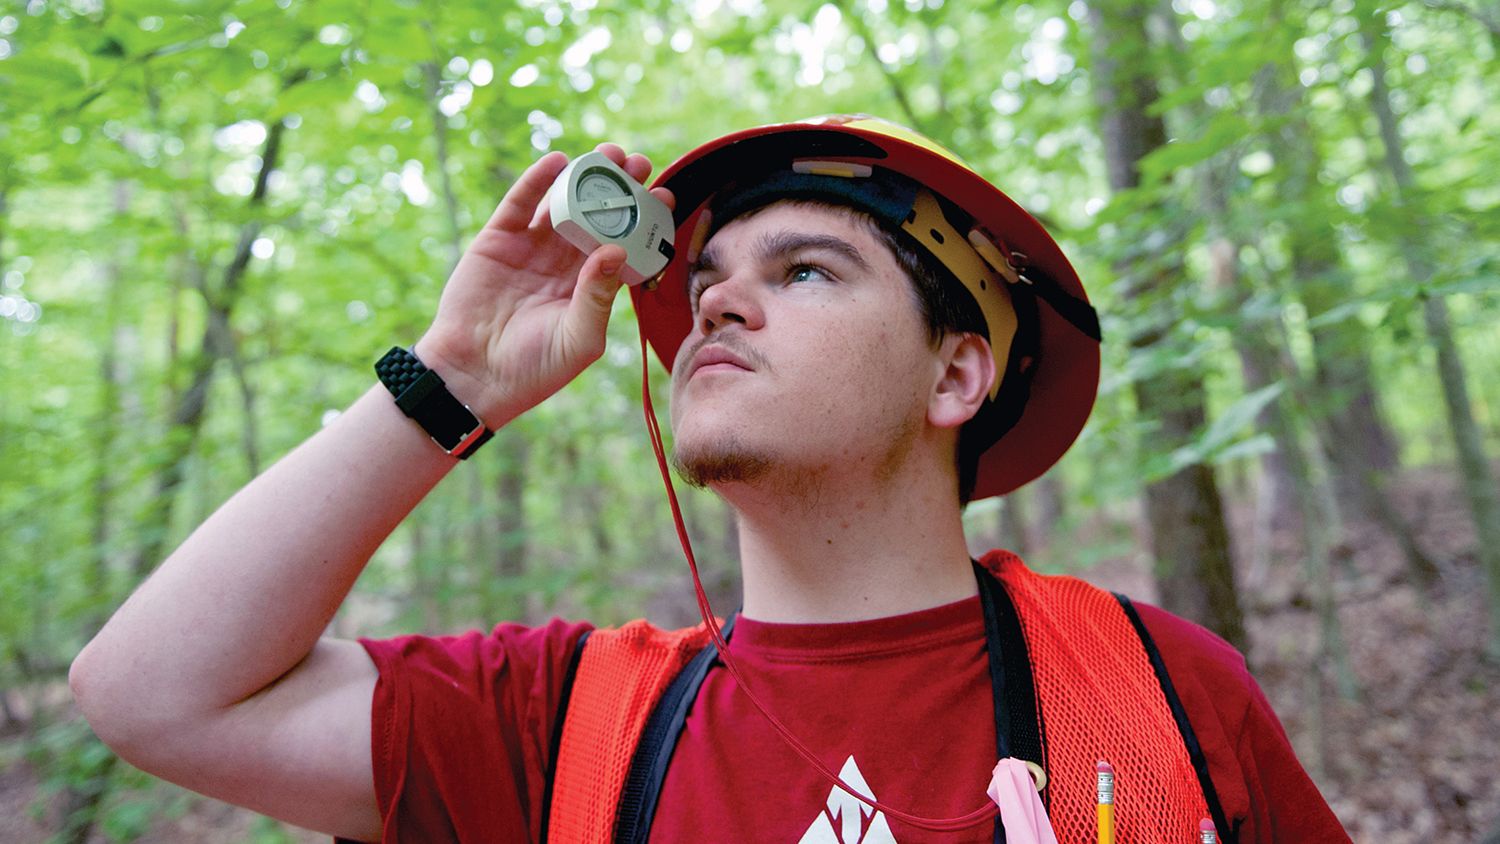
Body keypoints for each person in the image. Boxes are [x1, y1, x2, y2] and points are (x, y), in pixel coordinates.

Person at [69, 116, 1348, 843]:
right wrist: (452, 377)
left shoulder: (1164, 689)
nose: (720, 299)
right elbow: (152, 697)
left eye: (803, 272)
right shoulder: (567, 719)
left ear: (956, 376)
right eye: (710, 277)